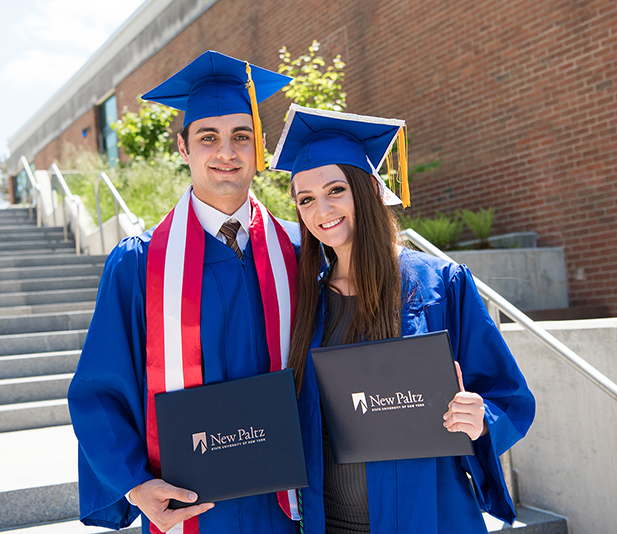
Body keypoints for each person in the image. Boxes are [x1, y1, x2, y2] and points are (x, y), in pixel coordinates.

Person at [270, 104, 536, 534]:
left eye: (336, 190)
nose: (321, 210)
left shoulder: (440, 284)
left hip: (428, 517)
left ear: (371, 190)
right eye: (306, 199)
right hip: (331, 524)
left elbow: (509, 397)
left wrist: (480, 416)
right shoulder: (306, 300)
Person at [67, 51, 300, 533]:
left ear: (259, 146)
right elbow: (98, 387)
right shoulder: (140, 263)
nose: (226, 152)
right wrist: (134, 484)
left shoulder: (299, 251)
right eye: (208, 138)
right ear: (182, 147)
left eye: (241, 137)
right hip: (195, 512)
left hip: (291, 507)